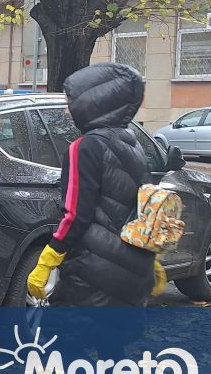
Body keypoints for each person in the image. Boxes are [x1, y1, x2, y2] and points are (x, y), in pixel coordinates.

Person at [26, 62, 165, 306]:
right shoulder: (132, 143)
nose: (66, 111)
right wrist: (150, 259)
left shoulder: (84, 147)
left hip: (91, 271)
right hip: (134, 269)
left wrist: (49, 257)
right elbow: (142, 205)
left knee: (62, 340)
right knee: (111, 343)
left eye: (70, 102)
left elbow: (76, 214)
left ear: (92, 104)